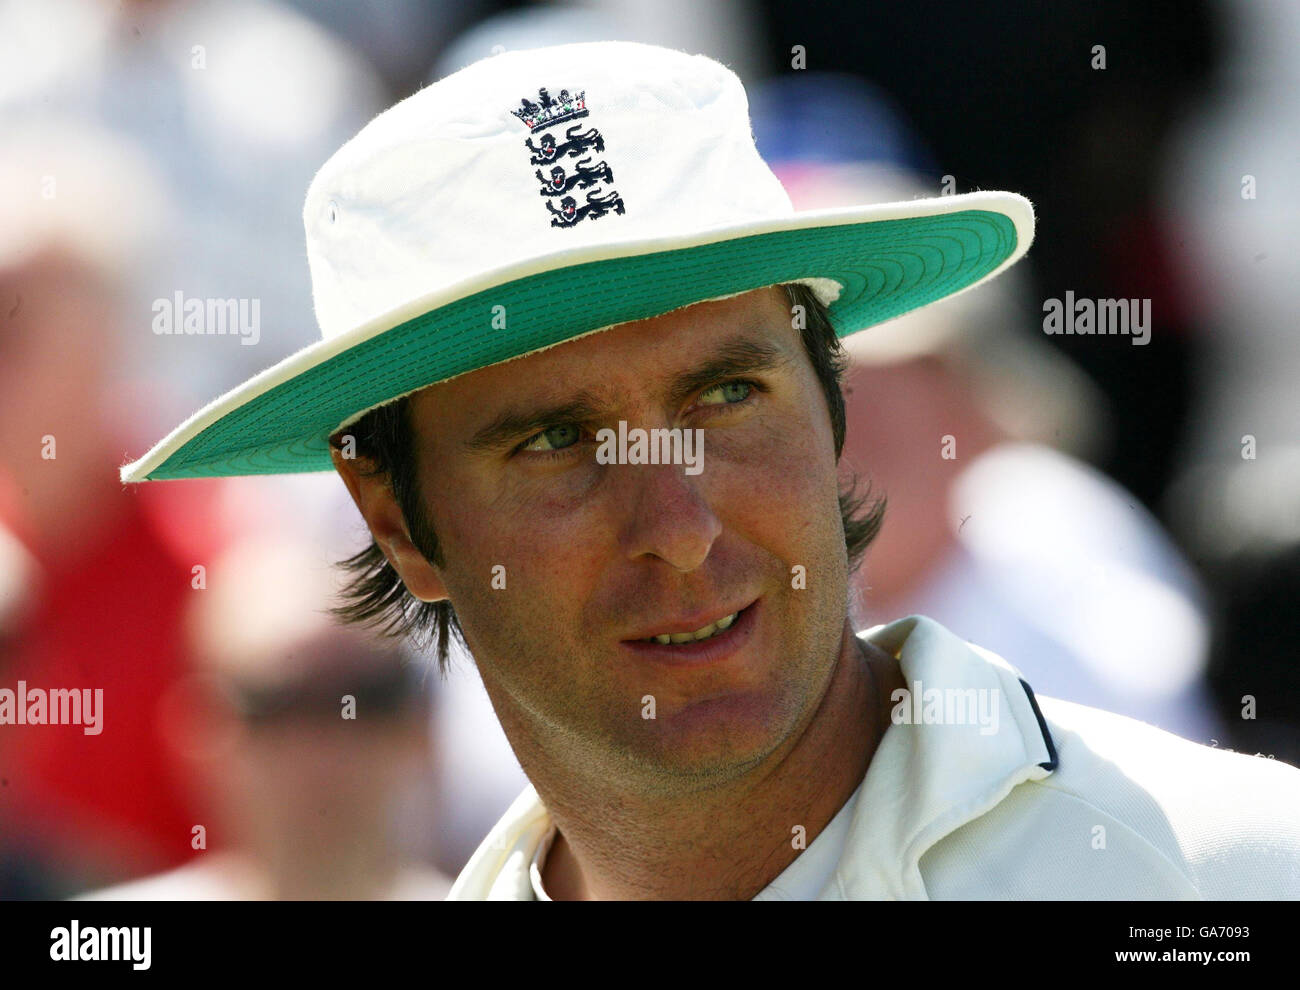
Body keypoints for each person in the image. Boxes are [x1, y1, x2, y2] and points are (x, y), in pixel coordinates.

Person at [121, 42, 1300, 899]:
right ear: (397, 520)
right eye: (555, 441)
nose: (677, 525)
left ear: (831, 402)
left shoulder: (1231, 882)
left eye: (727, 396)